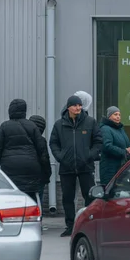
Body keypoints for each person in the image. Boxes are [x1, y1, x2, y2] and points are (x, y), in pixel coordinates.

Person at [49, 95, 103, 237]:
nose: (78, 108)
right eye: (75, 105)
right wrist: (60, 157)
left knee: (89, 196)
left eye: (80, 105)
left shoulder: (90, 122)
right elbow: (53, 143)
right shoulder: (59, 124)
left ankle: (88, 225)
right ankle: (70, 226)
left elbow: (98, 141)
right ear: (68, 107)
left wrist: (89, 155)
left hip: (86, 166)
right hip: (66, 167)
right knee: (67, 197)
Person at [0, 99, 51, 205]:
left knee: (12, 197)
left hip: (10, 167)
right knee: (32, 197)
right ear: (24, 111)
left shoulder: (4, 126)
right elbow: (42, 150)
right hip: (30, 167)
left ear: (10, 110)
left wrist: (1, 162)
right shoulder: (32, 126)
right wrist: (46, 172)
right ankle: (34, 217)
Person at [100, 106, 130, 186]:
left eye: (119, 115)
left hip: (121, 166)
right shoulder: (105, 129)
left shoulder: (120, 129)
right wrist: (124, 151)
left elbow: (126, 142)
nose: (118, 117)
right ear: (109, 116)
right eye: (115, 114)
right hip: (109, 168)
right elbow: (107, 146)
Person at [29, 115, 51, 213]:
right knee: (38, 199)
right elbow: (45, 159)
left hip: (24, 175)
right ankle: (38, 219)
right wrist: (47, 174)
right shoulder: (41, 140)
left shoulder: (24, 139)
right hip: (39, 176)